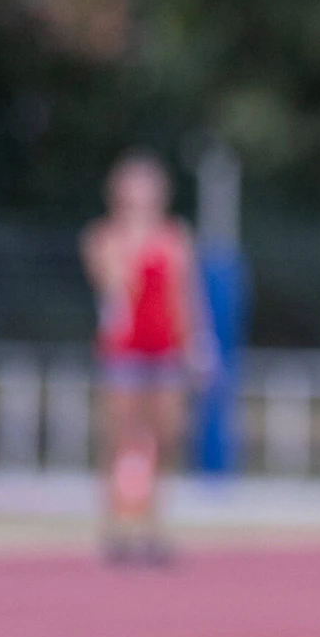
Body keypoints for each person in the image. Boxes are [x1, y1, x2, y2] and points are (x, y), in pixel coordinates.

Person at [78, 152, 213, 566]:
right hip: (124, 349)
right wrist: (135, 239)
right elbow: (115, 283)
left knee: (166, 437)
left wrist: (199, 344)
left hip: (166, 348)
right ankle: (115, 528)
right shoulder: (104, 236)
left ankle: (154, 527)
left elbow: (187, 295)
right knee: (119, 438)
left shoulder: (176, 237)